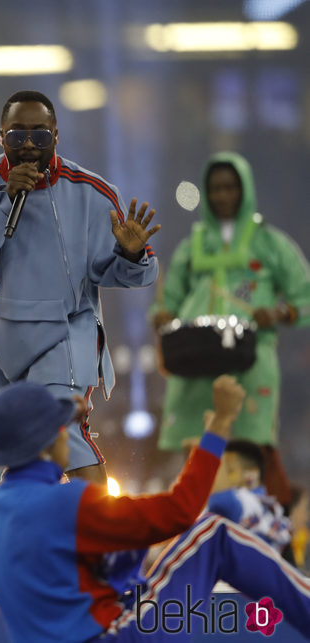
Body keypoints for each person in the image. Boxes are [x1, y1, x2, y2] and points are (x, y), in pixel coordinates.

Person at [0, 89, 161, 595]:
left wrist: (131, 254)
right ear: (2, 138)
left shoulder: (92, 191)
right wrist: (4, 202)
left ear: (56, 136)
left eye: (41, 135)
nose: (31, 145)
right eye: (19, 135)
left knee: (68, 439)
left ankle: (100, 556)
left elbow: (125, 274)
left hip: (66, 332)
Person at [0, 376, 310, 642]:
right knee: (213, 533)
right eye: (62, 430)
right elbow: (181, 510)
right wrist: (219, 425)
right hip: (115, 637)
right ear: (49, 443)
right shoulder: (70, 503)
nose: (68, 437)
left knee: (125, 575)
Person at [151, 151, 310, 507]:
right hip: (196, 359)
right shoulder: (192, 247)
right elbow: (169, 300)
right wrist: (161, 315)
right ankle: (200, 527)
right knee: (198, 450)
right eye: (215, 188)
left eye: (230, 187)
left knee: (254, 449)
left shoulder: (270, 243)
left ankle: (265, 528)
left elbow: (305, 297)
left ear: (244, 190)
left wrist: (282, 313)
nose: (222, 196)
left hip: (250, 360)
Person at [207, 439, 291, 553]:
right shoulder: (268, 508)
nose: (218, 475)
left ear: (252, 476)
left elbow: (219, 501)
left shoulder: (249, 503)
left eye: (228, 470)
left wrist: (208, 449)